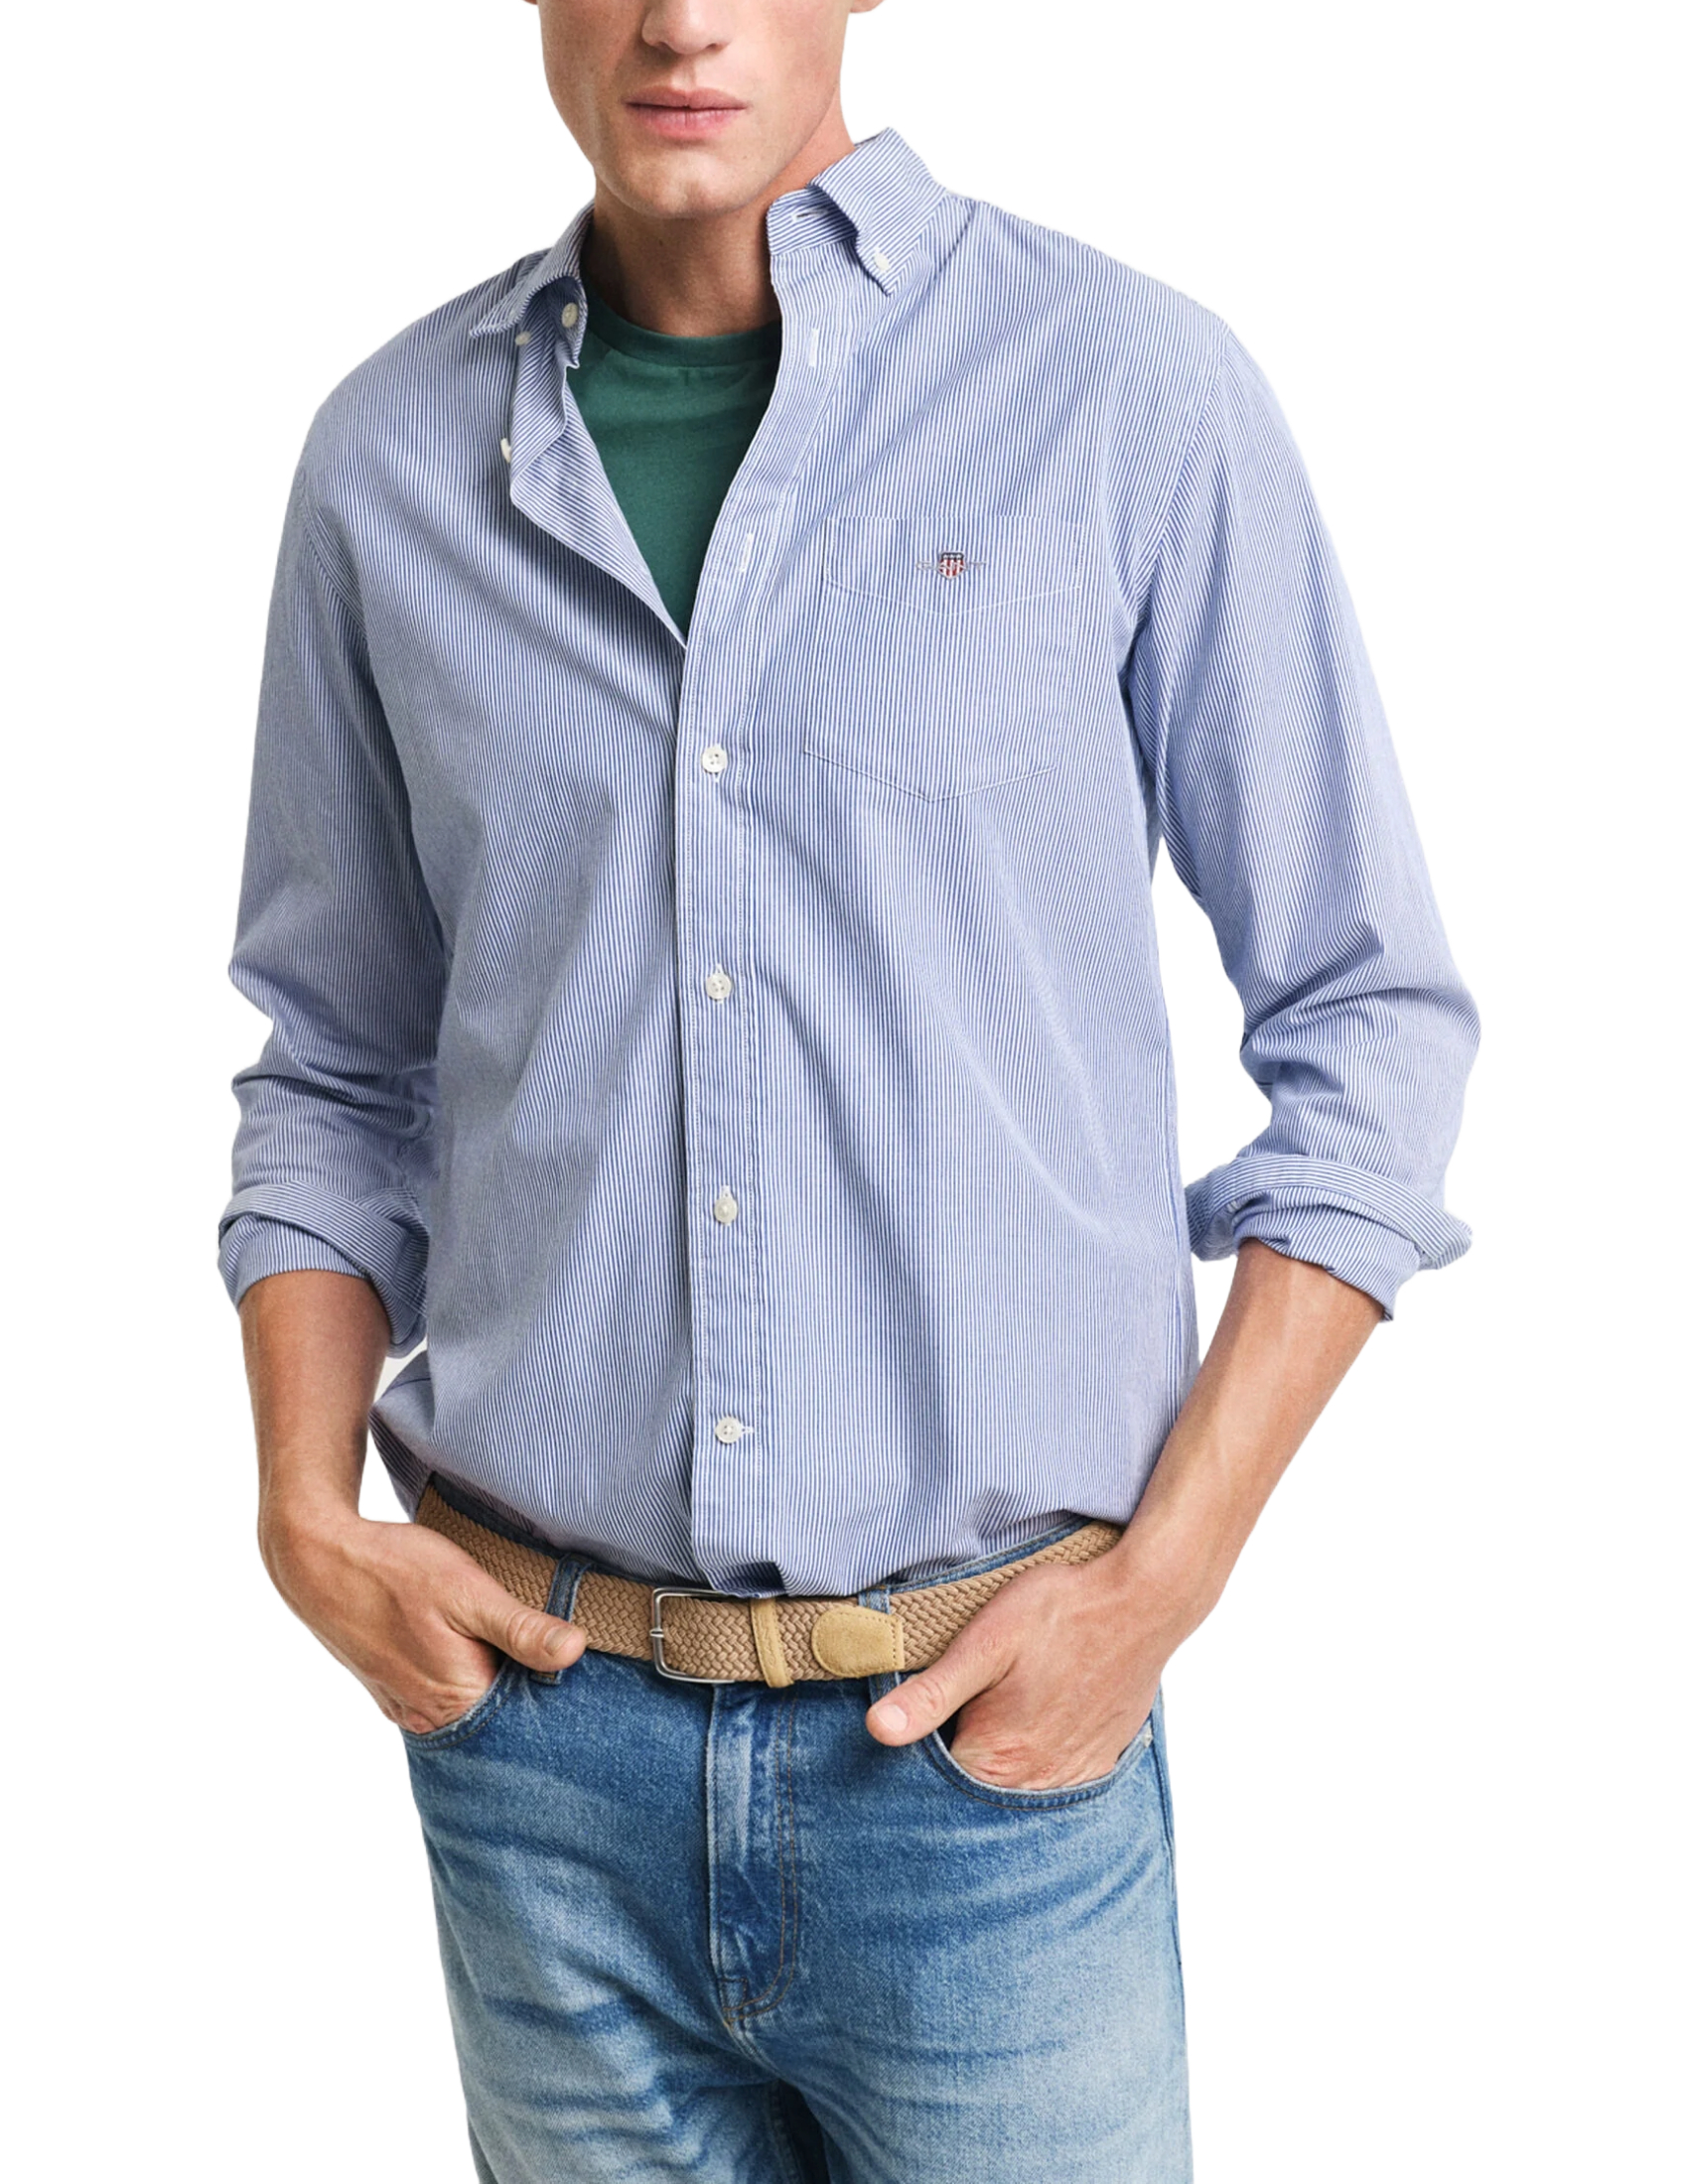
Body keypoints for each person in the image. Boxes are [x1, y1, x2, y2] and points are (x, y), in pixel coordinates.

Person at [221, 2, 1478, 2176]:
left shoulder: (1124, 392)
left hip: (983, 1758)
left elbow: (1372, 1019)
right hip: (537, 1754)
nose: (678, 18)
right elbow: (338, 1062)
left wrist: (1162, 1583)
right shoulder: (388, 456)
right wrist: (304, 1518)